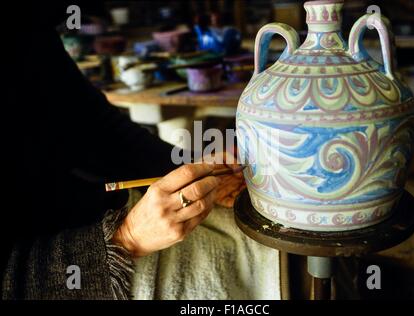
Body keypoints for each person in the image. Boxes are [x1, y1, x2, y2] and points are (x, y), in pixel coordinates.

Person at [1, 2, 244, 299]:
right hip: (73, 265)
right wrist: (126, 239)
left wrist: (190, 172)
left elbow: (98, 123)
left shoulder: (27, 28)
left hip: (94, 215)